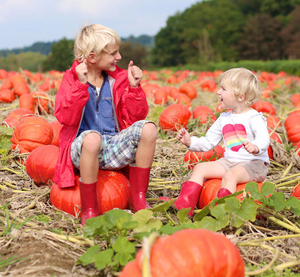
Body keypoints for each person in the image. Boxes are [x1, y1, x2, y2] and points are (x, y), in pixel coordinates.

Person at [53, 24, 157, 225]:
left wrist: (134, 88)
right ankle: (89, 209)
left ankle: (139, 199)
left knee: (148, 128)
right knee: (92, 138)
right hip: (82, 149)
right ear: (92, 57)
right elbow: (65, 117)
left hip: (112, 146)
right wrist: (80, 86)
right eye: (113, 53)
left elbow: (136, 117)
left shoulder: (116, 81)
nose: (119, 57)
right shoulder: (71, 80)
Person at [175, 68, 270, 216]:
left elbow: (264, 138)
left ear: (240, 96)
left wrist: (256, 147)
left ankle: (222, 212)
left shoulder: (254, 118)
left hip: (254, 163)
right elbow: (208, 142)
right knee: (200, 168)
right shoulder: (224, 118)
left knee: (230, 176)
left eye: (223, 89)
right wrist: (189, 142)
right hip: (229, 161)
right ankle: (184, 206)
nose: (218, 92)